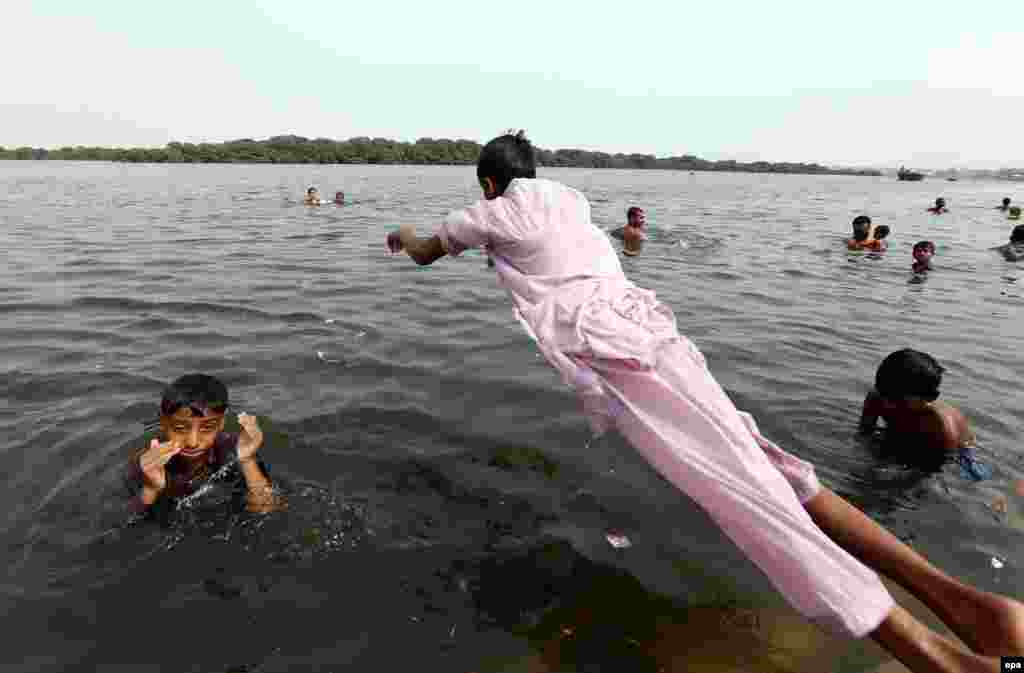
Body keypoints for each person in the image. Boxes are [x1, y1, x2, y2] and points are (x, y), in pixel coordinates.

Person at [385, 130, 1024, 671]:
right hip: (658, 335)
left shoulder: (491, 212)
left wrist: (405, 233)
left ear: (489, 184)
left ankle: (948, 663)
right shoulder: (570, 199)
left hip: (616, 356)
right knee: (773, 471)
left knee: (747, 503)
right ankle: (977, 608)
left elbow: (424, 253)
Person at [123, 374, 277, 516]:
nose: (193, 442)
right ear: (163, 422)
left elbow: (266, 509)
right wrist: (151, 488)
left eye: (207, 428)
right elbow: (127, 522)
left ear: (222, 422)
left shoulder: (233, 449)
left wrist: (247, 460)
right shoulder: (147, 465)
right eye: (180, 428)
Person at [859, 350, 975, 465]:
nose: (889, 403)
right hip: (905, 435)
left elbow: (936, 466)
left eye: (899, 401)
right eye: (888, 397)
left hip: (956, 448)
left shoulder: (938, 423)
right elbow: (864, 433)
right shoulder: (878, 397)